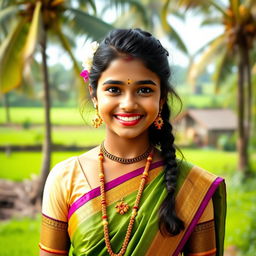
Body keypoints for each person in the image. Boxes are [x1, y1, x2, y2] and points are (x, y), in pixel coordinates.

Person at [39, 28, 226, 256]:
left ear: (162, 97)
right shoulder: (64, 178)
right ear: (94, 95)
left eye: (144, 90)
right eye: (114, 89)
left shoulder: (193, 187)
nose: (128, 103)